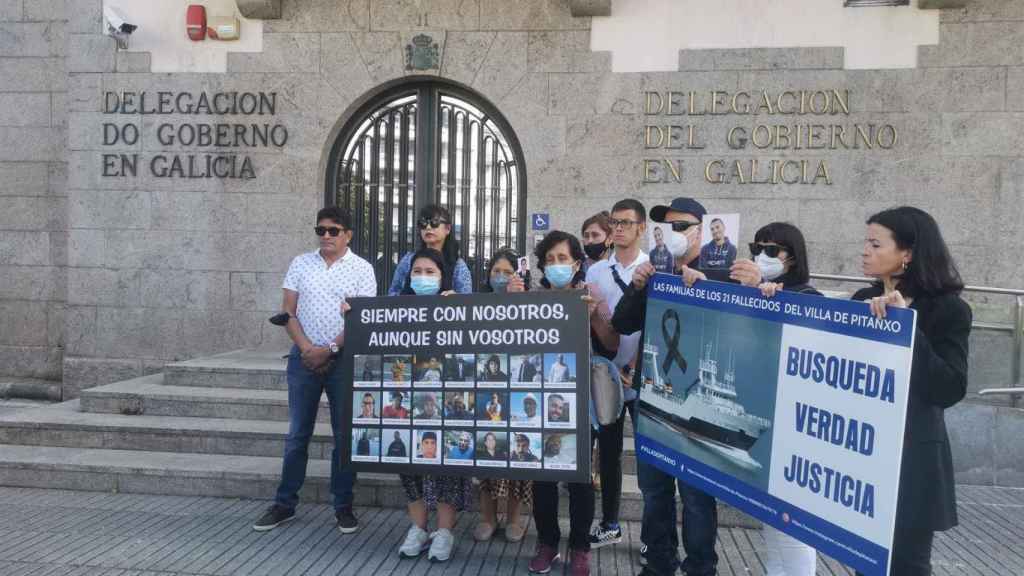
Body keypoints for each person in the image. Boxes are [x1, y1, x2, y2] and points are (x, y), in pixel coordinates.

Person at [852, 207, 970, 576]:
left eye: (876, 244)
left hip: (912, 462)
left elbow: (949, 387)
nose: (865, 251)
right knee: (865, 562)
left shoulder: (949, 310)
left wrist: (906, 328)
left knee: (907, 564)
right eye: (866, 242)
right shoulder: (861, 299)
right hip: (862, 453)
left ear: (907, 253)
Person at [612, 197, 727, 576]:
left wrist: (710, 290)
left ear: (700, 230)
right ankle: (659, 563)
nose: (673, 233)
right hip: (654, 398)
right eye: (668, 227)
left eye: (681, 226)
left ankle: (700, 567)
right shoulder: (655, 272)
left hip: (697, 404)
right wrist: (637, 287)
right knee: (655, 490)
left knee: (696, 496)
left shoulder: (721, 273)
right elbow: (622, 323)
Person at [253, 206, 376, 535]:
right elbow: (287, 312)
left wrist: (330, 349)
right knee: (297, 435)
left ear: (348, 235)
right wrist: (307, 348)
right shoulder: (300, 263)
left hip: (343, 360)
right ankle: (284, 503)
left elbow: (361, 318)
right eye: (321, 230)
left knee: (344, 436)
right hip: (303, 359)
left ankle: (343, 506)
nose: (326, 236)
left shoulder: (363, 269)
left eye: (333, 230)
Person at [730, 222, 821, 576]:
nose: (760, 256)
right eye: (756, 249)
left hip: (794, 427)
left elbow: (806, 347)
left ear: (792, 257)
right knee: (772, 526)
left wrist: (768, 296)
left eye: (771, 251)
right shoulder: (759, 293)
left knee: (792, 527)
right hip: (766, 414)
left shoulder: (807, 296)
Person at [512, 230, 595, 576]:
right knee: (543, 478)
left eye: (563, 258)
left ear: (576, 263)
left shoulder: (588, 296)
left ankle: (580, 547)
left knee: (580, 481)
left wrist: (594, 315)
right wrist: (510, 302)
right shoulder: (531, 299)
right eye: (550, 259)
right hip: (541, 403)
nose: (557, 264)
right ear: (542, 266)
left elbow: (610, 342)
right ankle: (547, 543)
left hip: (579, 403)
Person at [395, 248, 472, 563]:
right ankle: (418, 528)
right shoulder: (396, 309)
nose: (422, 277)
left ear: (443, 277)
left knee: (446, 467)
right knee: (410, 467)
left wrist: (460, 309)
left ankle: (444, 532)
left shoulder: (456, 306)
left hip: (447, 403)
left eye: (430, 272)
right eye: (417, 271)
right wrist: (354, 314)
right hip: (410, 401)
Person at [584, 198, 649, 549]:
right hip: (605, 375)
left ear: (642, 228)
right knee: (609, 454)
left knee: (649, 460)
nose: (619, 228)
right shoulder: (596, 272)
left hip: (641, 377)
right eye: (615, 222)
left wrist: (634, 367)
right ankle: (610, 523)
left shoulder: (652, 269)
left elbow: (653, 322)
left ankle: (652, 536)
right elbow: (592, 324)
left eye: (626, 222)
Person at [476, 252, 533, 544]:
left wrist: (517, 300)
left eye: (507, 271)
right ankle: (487, 518)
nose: (500, 276)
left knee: (516, 459)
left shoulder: (531, 303)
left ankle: (514, 519)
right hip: (489, 393)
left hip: (517, 392)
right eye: (495, 271)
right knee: (487, 455)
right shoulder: (476, 304)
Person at [388, 204, 472, 295]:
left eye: (434, 222)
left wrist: (455, 299)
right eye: (423, 223)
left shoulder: (458, 266)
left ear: (447, 229)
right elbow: (393, 292)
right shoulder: (408, 260)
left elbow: (466, 300)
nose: (428, 227)